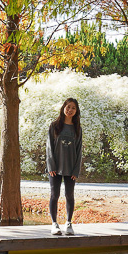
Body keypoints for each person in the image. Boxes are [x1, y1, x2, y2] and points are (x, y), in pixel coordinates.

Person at [46, 97, 82, 236]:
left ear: (76, 111)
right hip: (55, 168)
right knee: (54, 195)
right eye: (68, 107)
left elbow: (79, 150)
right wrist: (51, 166)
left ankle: (68, 223)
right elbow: (49, 146)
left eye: (73, 108)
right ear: (63, 108)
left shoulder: (78, 129)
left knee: (69, 195)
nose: (70, 110)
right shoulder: (54, 125)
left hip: (71, 168)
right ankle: (54, 223)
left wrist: (76, 170)